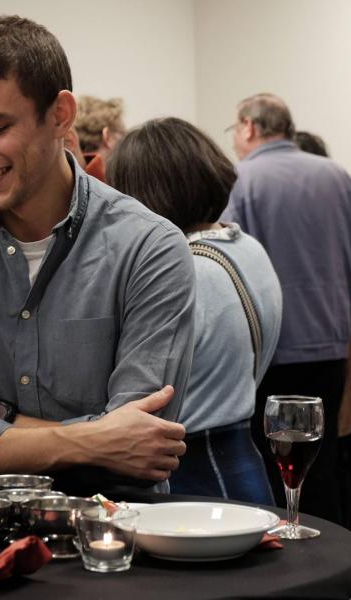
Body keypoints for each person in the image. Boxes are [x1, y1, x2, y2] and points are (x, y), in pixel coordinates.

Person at [0, 15, 193, 493]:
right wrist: (94, 439)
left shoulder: (149, 248)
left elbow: (142, 448)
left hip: (116, 546)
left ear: (60, 115)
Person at [107, 117, 281, 503]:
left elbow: (136, 399)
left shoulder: (185, 270)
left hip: (189, 474)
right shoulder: (246, 246)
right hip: (240, 458)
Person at [224, 93, 351, 526]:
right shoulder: (338, 177)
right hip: (330, 351)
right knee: (323, 469)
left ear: (250, 127)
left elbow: (225, 266)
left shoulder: (239, 179)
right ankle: (330, 566)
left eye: (234, 130)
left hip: (269, 356)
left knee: (273, 472)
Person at [294, 128, 351, 531]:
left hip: (293, 358)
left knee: (309, 469)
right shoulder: (339, 187)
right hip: (336, 348)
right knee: (328, 463)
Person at [64, 95, 126, 182]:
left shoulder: (68, 178)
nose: (126, 143)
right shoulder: (115, 184)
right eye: (123, 134)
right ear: (108, 137)